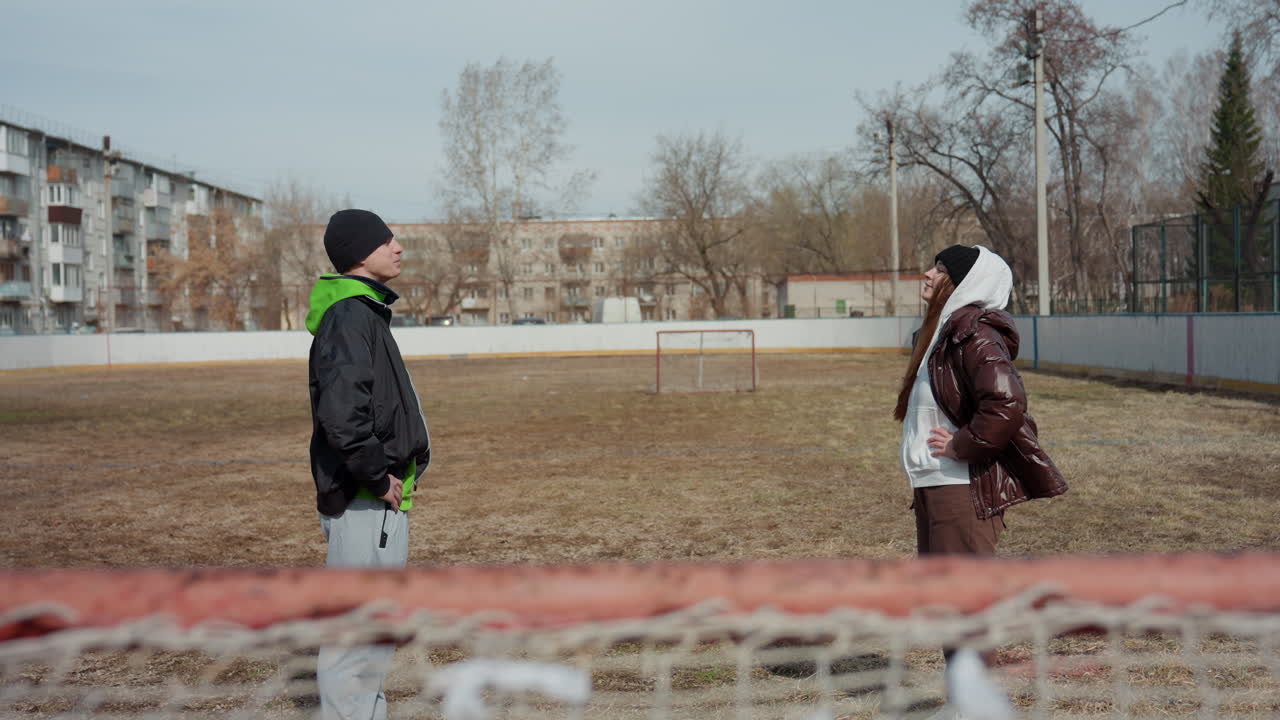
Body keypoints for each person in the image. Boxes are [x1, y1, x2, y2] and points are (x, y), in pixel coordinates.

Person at [894, 245, 1067, 708]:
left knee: (964, 607)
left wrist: (960, 446)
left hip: (959, 488)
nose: (927, 274)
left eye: (940, 269)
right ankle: (964, 701)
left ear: (964, 282)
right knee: (947, 604)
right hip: (935, 485)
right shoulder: (944, 331)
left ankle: (977, 706)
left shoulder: (973, 333)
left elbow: (1006, 404)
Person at [306, 209, 431, 720]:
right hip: (364, 500)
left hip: (377, 502)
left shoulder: (363, 312)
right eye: (387, 240)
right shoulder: (349, 317)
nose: (398, 247)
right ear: (362, 252)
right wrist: (376, 476)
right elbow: (343, 413)